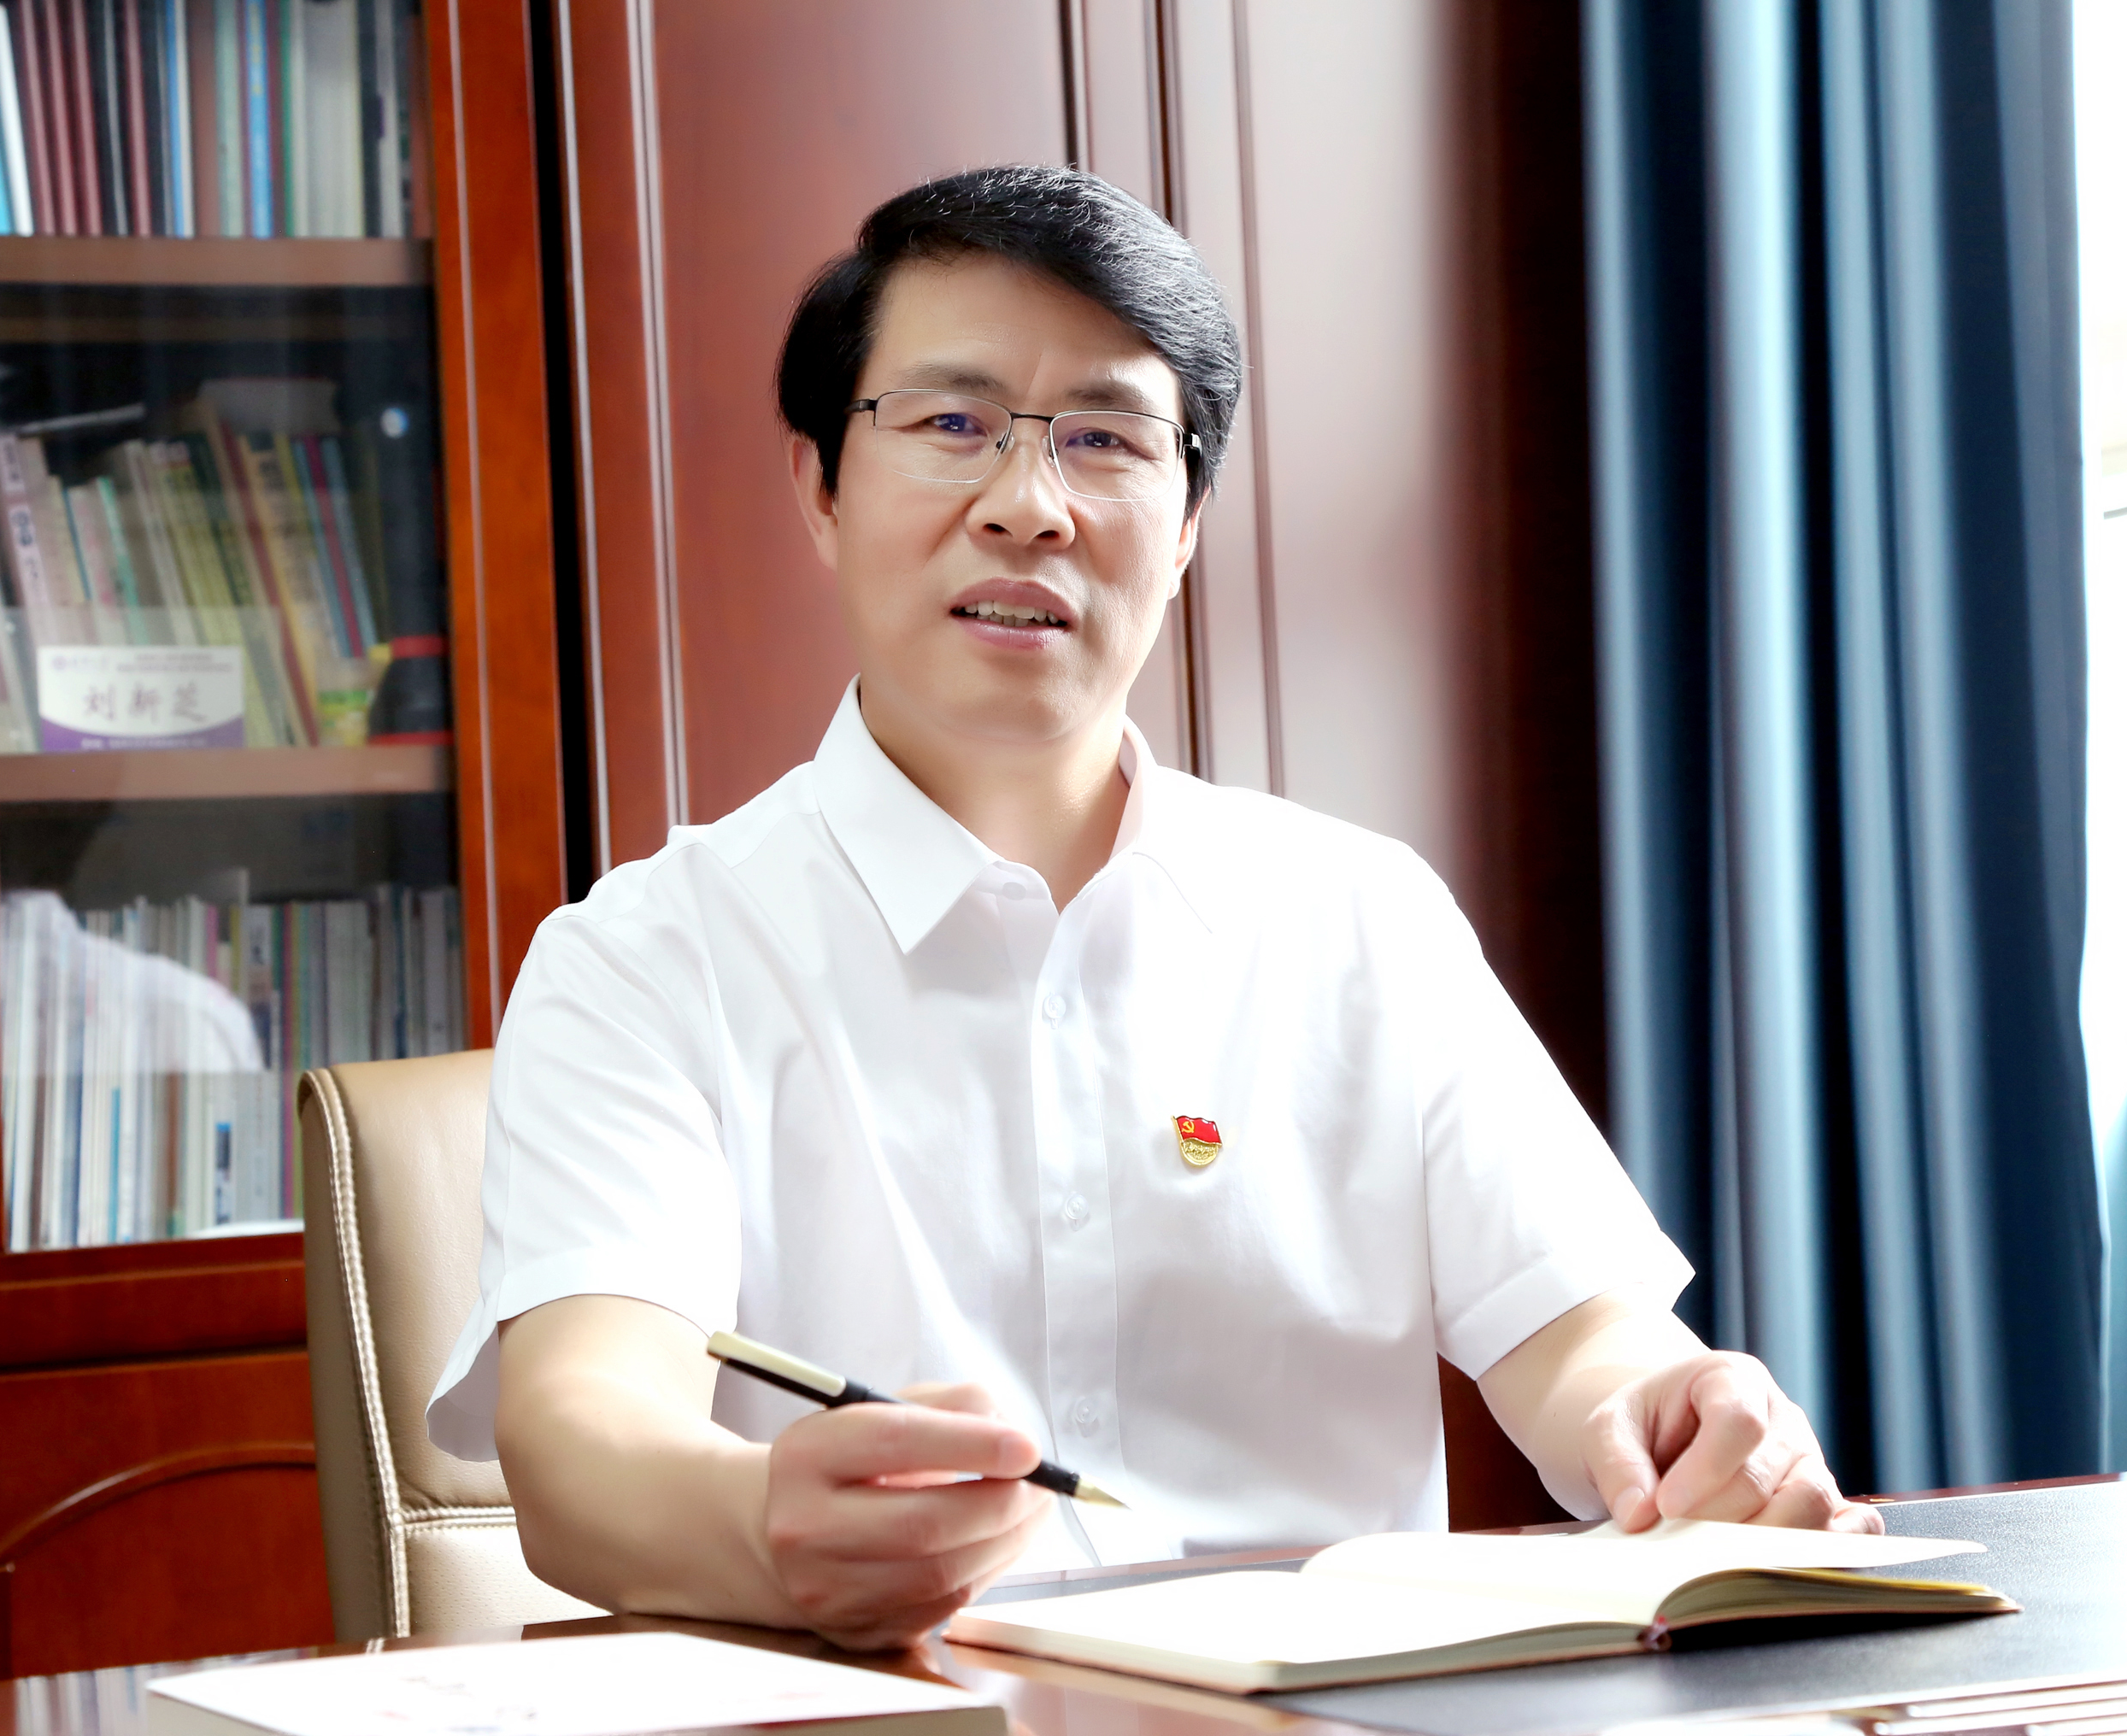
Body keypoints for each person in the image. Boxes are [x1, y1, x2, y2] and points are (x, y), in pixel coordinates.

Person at [424, 164, 1879, 1654]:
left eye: (1107, 440)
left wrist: (1678, 1415)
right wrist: (761, 1526)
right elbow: (581, 1442)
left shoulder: (1358, 918)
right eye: (951, 424)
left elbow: (1584, 1344)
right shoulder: (645, 959)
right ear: (821, 488)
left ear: (1183, 528)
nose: (1028, 507)